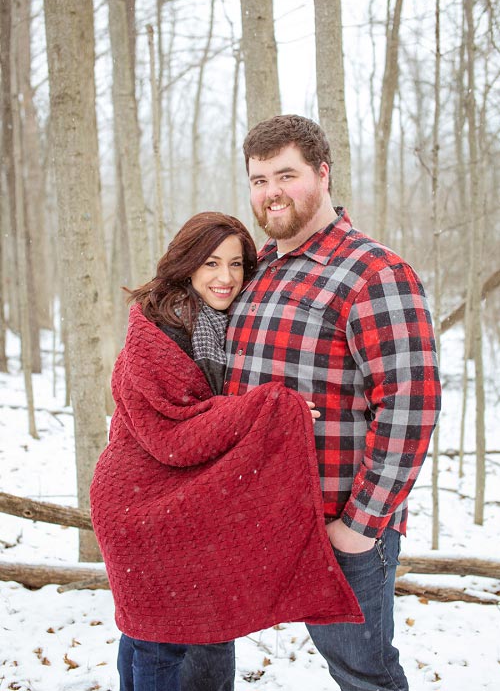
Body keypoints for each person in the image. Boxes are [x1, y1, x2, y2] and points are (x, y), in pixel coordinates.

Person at [90, 211, 363, 691]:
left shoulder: (214, 320)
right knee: (158, 641)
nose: (225, 278)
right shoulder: (163, 326)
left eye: (237, 265)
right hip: (137, 505)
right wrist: (272, 404)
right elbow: (176, 432)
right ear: (187, 264)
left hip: (174, 504)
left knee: (144, 634)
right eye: (211, 263)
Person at [220, 115, 441, 691]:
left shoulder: (374, 273)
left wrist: (360, 526)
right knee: (198, 648)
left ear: (322, 173)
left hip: (337, 525)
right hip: (253, 514)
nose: (271, 193)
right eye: (258, 179)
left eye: (286, 175)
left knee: (362, 673)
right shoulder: (257, 269)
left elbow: (411, 406)